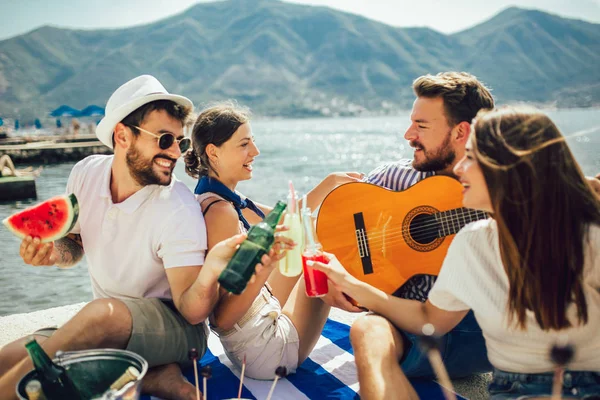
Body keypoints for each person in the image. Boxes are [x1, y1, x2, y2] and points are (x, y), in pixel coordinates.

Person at [310, 106, 600, 399]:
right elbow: (430, 318)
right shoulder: (473, 242)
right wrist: (348, 282)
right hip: (508, 390)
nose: (459, 168)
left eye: (471, 158)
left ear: (508, 166)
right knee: (366, 328)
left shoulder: (589, 239)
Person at [0, 75, 246, 400]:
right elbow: (74, 244)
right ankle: (152, 374)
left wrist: (211, 270)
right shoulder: (85, 174)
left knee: (101, 315)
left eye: (180, 142)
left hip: (177, 330)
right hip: (107, 322)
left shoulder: (176, 207)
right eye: (163, 139)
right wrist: (54, 253)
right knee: (10, 357)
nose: (174, 152)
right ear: (122, 135)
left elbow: (192, 312)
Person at [184, 102, 364, 379]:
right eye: (244, 144)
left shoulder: (218, 197)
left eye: (252, 142)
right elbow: (221, 318)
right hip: (264, 352)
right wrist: (266, 266)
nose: (255, 152)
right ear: (213, 152)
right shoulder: (221, 213)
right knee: (322, 264)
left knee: (304, 237)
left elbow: (284, 218)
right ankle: (382, 308)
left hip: (250, 337)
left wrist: (328, 183)